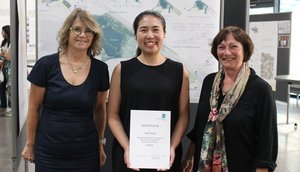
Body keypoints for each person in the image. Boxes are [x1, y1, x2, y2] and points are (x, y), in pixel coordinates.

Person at [21, 8, 109, 171]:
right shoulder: (46, 65)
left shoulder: (100, 69)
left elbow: (100, 109)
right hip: (49, 152)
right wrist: (30, 144)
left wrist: (101, 143)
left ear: (93, 36)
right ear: (67, 32)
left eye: (88, 31)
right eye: (77, 29)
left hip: (86, 154)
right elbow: (34, 108)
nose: (83, 35)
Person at [182, 26, 278, 172]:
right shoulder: (209, 82)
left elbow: (267, 139)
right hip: (204, 165)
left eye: (234, 46)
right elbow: (200, 125)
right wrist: (189, 155)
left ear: (245, 51)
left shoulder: (260, 89)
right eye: (221, 47)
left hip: (242, 166)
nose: (227, 52)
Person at [108, 10, 190, 171]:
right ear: (135, 34)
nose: (150, 35)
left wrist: (172, 147)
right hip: (128, 157)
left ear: (164, 34)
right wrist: (128, 147)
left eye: (156, 29)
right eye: (144, 30)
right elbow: (112, 116)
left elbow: (183, 116)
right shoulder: (121, 70)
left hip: (166, 157)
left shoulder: (179, 71)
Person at [0, 25, 11, 116]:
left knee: (10, 88)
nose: (1, 33)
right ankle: (3, 106)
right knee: (2, 86)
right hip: (3, 67)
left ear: (6, 32)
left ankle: (11, 109)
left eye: (2, 31)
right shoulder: (4, 42)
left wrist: (3, 54)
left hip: (10, 68)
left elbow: (9, 57)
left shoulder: (12, 43)